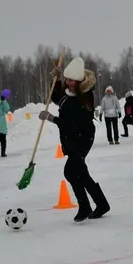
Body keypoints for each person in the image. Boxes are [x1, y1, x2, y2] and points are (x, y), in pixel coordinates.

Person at [39, 60, 110, 222]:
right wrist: (55, 80)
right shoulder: (69, 92)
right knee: (81, 173)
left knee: (70, 171)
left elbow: (73, 124)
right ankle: (101, 203)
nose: (68, 83)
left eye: (71, 81)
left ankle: (85, 206)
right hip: (71, 139)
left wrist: (52, 118)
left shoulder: (84, 97)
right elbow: (57, 98)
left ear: (79, 82)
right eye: (67, 80)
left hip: (82, 137)